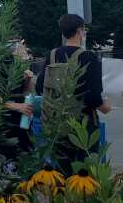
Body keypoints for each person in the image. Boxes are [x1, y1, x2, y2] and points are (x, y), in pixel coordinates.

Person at [36, 14, 111, 172]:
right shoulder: (88, 57)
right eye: (84, 30)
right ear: (79, 31)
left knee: (63, 172)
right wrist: (105, 106)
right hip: (84, 126)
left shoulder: (52, 55)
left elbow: (40, 87)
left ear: (63, 33)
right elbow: (93, 97)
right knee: (88, 172)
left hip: (58, 125)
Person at [0, 40, 36, 166]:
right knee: (9, 162)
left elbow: (25, 93)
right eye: (23, 50)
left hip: (23, 124)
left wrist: (28, 81)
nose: (26, 53)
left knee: (25, 159)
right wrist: (17, 107)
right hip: (5, 125)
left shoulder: (20, 68)